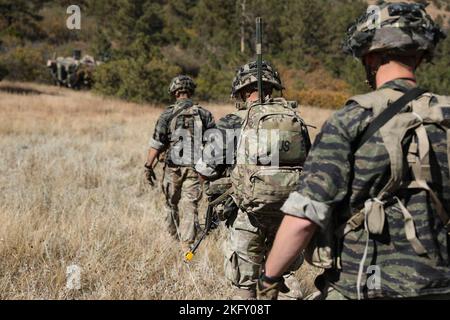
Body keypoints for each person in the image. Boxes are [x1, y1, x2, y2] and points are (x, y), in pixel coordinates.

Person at [258, 1, 450, 300]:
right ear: (420, 55)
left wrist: (268, 278)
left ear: (370, 57)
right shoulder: (446, 115)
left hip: (363, 285)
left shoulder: (351, 120)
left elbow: (303, 219)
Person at [196, 61, 310, 299]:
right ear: (272, 88)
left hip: (246, 214)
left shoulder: (232, 121)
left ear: (243, 91)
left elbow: (205, 169)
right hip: (288, 215)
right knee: (283, 278)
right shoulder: (294, 118)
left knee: (245, 285)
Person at [145, 75, 215, 251]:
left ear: (175, 92)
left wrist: (148, 166)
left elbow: (157, 143)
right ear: (190, 92)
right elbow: (214, 143)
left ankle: (173, 237)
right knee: (191, 206)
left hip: (173, 167)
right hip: (195, 168)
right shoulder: (204, 114)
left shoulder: (167, 114)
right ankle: (187, 245)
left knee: (171, 203)